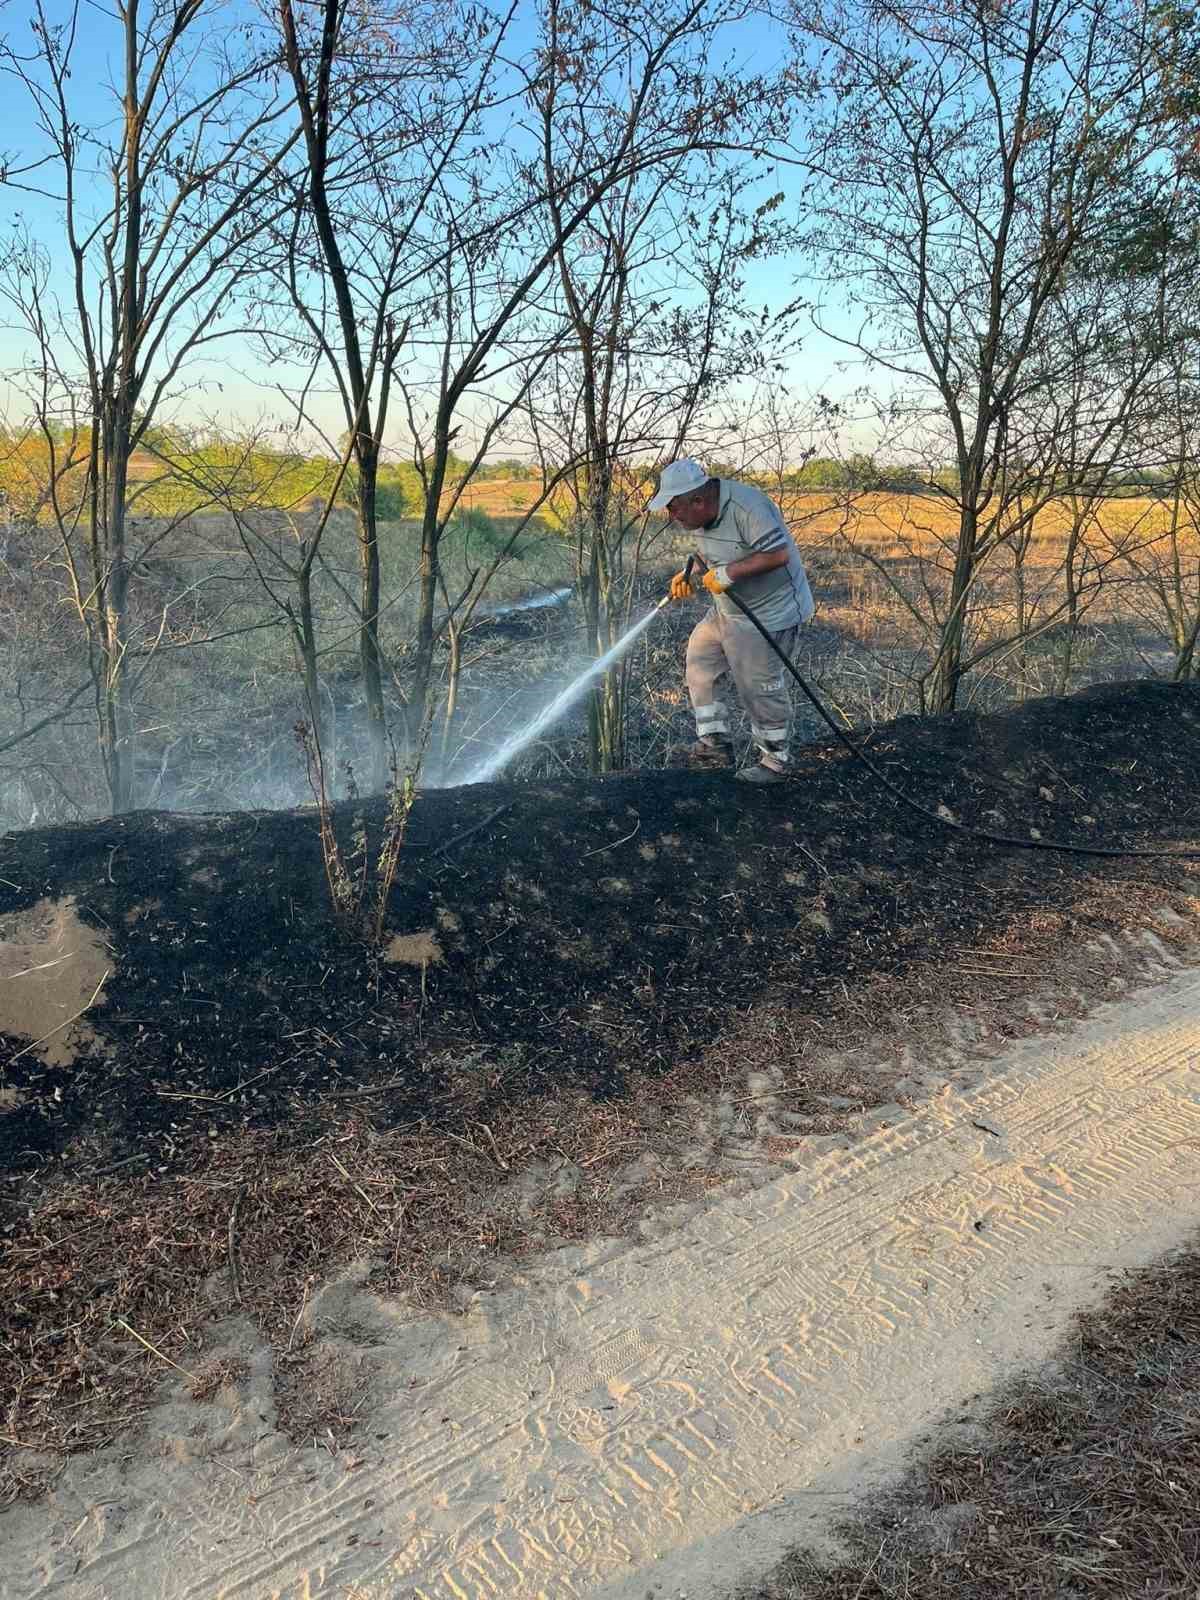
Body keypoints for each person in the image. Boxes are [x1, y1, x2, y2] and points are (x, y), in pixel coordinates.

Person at [649, 458, 814, 784]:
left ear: (697, 500)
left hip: (768, 613)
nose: (672, 516)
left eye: (674, 508)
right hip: (728, 611)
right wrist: (688, 574)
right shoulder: (698, 518)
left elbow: (777, 554)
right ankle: (715, 746)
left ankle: (775, 761)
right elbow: (706, 556)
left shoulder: (747, 507)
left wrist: (729, 574)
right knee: (700, 660)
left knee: (758, 686)